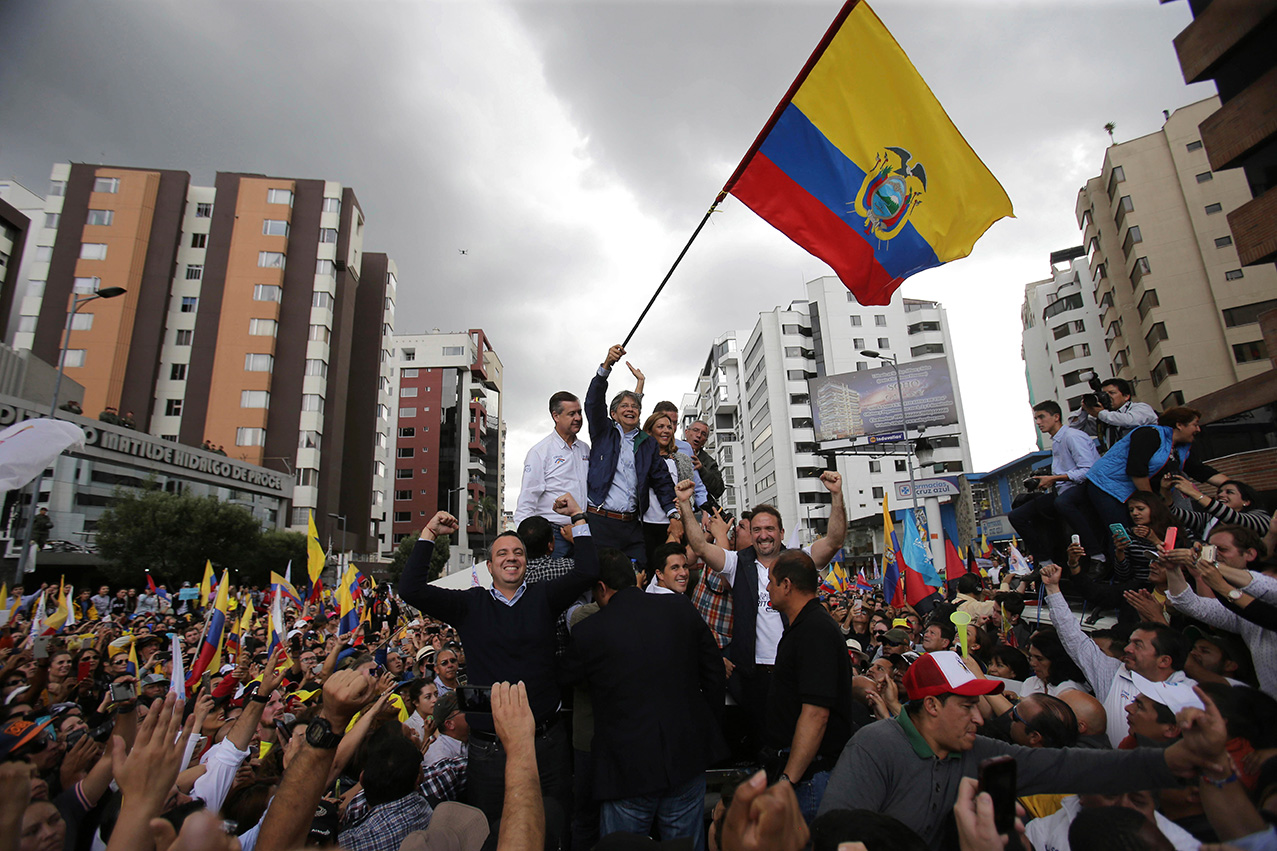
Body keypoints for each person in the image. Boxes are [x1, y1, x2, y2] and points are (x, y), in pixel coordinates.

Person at [818, 650, 1226, 850]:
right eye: (966, 708)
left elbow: (1071, 767)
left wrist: (1174, 759)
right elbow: (835, 834)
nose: (979, 720)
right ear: (931, 705)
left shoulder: (978, 752)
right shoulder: (875, 746)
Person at [398, 495, 597, 844]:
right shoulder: (469, 604)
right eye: (502, 553)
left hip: (546, 741)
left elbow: (587, 570)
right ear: (489, 567)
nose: (511, 558)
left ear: (526, 562)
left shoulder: (543, 597)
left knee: (554, 826)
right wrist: (430, 532)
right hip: (489, 749)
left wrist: (579, 516)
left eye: (518, 552)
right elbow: (411, 588)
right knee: (489, 833)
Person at [563, 541, 726, 849]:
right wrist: (706, 725)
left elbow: (567, 678)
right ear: (635, 577)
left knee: (626, 845)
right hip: (686, 755)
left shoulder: (589, 632)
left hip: (627, 770)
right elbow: (714, 672)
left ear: (600, 586)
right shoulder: (679, 608)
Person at [677, 471, 846, 752]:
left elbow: (834, 542)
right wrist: (684, 505)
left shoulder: (798, 561)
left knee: (797, 738)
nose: (763, 535)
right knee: (762, 744)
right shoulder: (737, 563)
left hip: (791, 668)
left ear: (781, 533)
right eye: (756, 529)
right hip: (751, 674)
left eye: (769, 529)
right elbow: (700, 547)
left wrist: (837, 496)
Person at [1042, 561, 1194, 747]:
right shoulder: (1112, 673)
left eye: (1138, 645)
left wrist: (1157, 618)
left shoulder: (1189, 693)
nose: (1128, 649)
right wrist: (1052, 588)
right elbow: (1073, 637)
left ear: (1164, 660)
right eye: (1130, 642)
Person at [764, 550, 855, 825]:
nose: (768, 588)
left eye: (771, 581)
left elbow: (816, 714)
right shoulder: (804, 626)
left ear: (787, 585)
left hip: (809, 780)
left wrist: (787, 780)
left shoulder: (814, 630)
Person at [1081, 407, 1226, 556]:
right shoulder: (1149, 434)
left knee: (1143, 532)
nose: (1198, 429)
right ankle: (1117, 573)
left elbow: (1200, 471)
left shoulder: (1180, 448)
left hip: (1135, 494)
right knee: (1122, 534)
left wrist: (1232, 486)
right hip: (1107, 486)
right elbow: (1137, 470)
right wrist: (1153, 504)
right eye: (1195, 424)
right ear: (1180, 425)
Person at [583, 344, 679, 567]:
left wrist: (673, 513)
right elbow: (593, 402)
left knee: (639, 575)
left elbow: (662, 480)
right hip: (600, 522)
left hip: (632, 526)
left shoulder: (647, 444)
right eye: (624, 405)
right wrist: (606, 365)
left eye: (635, 406)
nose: (630, 409)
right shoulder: (603, 433)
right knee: (601, 582)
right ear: (613, 413)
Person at [1164, 525, 1277, 696]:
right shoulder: (1240, 610)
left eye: (1222, 549)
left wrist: (1207, 564)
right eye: (1211, 550)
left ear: (1250, 555)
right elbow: (1191, 605)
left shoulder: (1262, 586)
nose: (1215, 555)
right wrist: (1172, 568)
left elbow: (1265, 588)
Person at [1010, 400, 1100, 567]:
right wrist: (1047, 481)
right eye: (1036, 418)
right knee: (1017, 514)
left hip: (1083, 489)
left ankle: (1098, 555)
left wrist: (1053, 479)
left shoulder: (1073, 437)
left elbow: (1089, 470)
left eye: (1041, 417)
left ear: (1056, 417)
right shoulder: (1058, 441)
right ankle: (1045, 563)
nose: (1038, 422)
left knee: (1062, 503)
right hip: (1062, 490)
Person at [514, 391, 590, 558]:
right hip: (554, 534)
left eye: (579, 412)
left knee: (584, 580)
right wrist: (527, 542)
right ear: (556, 416)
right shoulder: (540, 452)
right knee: (555, 583)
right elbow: (527, 501)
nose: (577, 418)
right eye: (571, 414)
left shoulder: (585, 449)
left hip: (581, 528)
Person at [1166, 476, 1270, 539]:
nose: (1221, 495)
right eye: (1219, 492)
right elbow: (1173, 513)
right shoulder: (1209, 519)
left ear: (1246, 501)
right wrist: (1165, 491)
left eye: (1229, 492)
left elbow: (1235, 518)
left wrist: (1194, 493)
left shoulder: (1261, 517)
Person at [1081, 377, 1158, 452]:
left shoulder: (1141, 407)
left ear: (1126, 396)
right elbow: (1077, 427)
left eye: (1112, 393)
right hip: (1120, 462)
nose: (1107, 397)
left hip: (1148, 458)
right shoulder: (1105, 418)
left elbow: (1130, 420)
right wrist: (1085, 407)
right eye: (1104, 394)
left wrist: (1101, 414)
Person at [685, 420, 725, 507]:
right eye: (695, 430)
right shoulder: (672, 449)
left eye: (703, 434)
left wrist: (702, 470)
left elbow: (719, 490)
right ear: (686, 432)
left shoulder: (709, 462)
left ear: (705, 441)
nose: (699, 435)